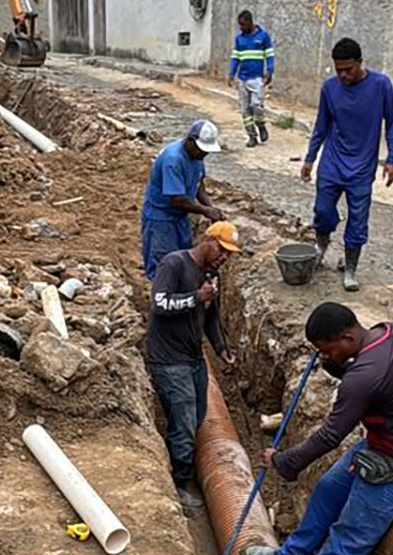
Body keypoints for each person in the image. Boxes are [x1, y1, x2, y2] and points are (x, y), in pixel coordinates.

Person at [243, 303, 393, 555]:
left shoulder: (363, 377)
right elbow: (368, 378)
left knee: (350, 532)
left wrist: (284, 462)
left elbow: (330, 435)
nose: (322, 355)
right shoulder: (389, 333)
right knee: (327, 489)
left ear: (348, 339)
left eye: (326, 349)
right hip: (383, 443)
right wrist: (332, 362)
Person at [147, 222, 241, 510]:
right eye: (222, 250)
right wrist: (197, 296)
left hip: (194, 357)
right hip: (168, 360)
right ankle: (178, 486)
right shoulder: (174, 264)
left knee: (197, 416)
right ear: (208, 240)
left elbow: (210, 316)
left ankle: (184, 465)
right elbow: (159, 304)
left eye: (229, 254)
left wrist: (221, 348)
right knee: (185, 424)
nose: (225, 257)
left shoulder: (212, 274)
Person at [301, 38, 393, 292]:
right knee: (322, 210)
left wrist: (392, 159)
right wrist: (310, 158)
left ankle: (351, 267)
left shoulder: (380, 85)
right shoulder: (329, 89)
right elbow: (321, 125)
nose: (343, 75)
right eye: (339, 70)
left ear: (360, 62)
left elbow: (392, 123)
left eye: (349, 69)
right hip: (332, 163)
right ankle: (321, 244)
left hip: (361, 168)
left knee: (358, 220)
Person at [141, 120, 225, 280]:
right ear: (190, 141)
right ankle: (162, 300)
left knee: (184, 259)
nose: (204, 154)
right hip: (161, 217)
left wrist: (211, 208)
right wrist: (205, 210)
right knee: (163, 263)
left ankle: (181, 294)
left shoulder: (197, 157)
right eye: (202, 150)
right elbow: (177, 199)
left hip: (180, 216)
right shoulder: (173, 159)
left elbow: (199, 184)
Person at [228, 10, 275, 148]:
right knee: (245, 110)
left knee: (256, 105)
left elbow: (270, 55)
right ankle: (252, 136)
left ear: (250, 22)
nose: (241, 27)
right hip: (243, 78)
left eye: (243, 24)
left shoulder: (263, 36)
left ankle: (260, 125)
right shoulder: (239, 39)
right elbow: (235, 57)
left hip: (257, 79)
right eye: (240, 25)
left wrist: (270, 71)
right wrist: (231, 73)